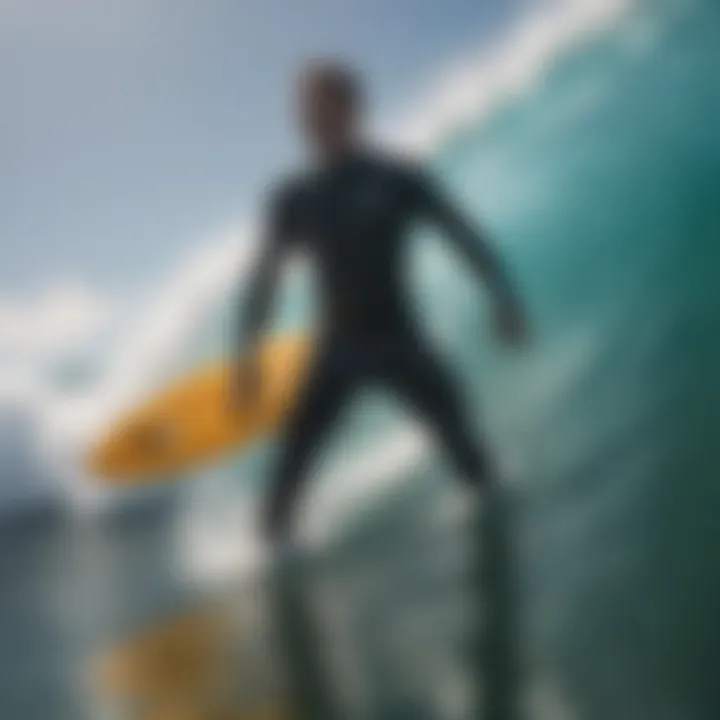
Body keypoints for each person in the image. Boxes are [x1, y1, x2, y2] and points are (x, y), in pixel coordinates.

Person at [233, 60, 527, 546]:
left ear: (352, 108)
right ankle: (278, 565)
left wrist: (501, 297)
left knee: (477, 469)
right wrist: (246, 357)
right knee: (277, 503)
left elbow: (461, 234)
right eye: (303, 110)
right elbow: (263, 281)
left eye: (318, 106)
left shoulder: (397, 176)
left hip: (401, 342)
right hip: (335, 355)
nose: (307, 120)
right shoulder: (292, 198)